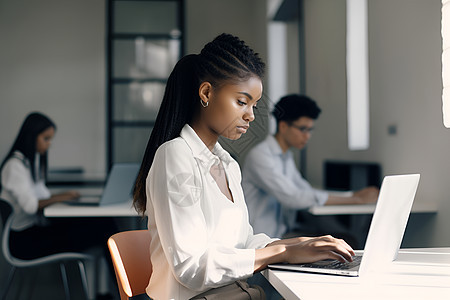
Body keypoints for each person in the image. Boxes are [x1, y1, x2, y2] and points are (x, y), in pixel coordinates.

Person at [132, 34, 355, 300]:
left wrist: (299, 244)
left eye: (254, 105)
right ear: (206, 93)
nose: (250, 115)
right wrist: (282, 253)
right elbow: (192, 268)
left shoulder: (228, 164)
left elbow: (243, 242)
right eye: (241, 101)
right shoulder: (175, 155)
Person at [0, 112, 117, 298]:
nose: (49, 144)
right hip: (24, 242)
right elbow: (31, 206)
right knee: (104, 229)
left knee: (103, 223)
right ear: (31, 137)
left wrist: (62, 197)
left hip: (35, 232)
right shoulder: (14, 167)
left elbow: (42, 195)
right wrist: (63, 196)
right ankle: (121, 291)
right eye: (46, 139)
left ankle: (116, 291)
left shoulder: (28, 163)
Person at [242, 94, 379, 240]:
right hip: (262, 238)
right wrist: (355, 200)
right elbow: (293, 197)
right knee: (345, 239)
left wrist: (352, 195)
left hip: (281, 232)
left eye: (310, 130)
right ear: (283, 126)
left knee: (345, 237)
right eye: (303, 129)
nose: (307, 136)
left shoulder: (285, 156)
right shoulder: (260, 156)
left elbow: (305, 191)